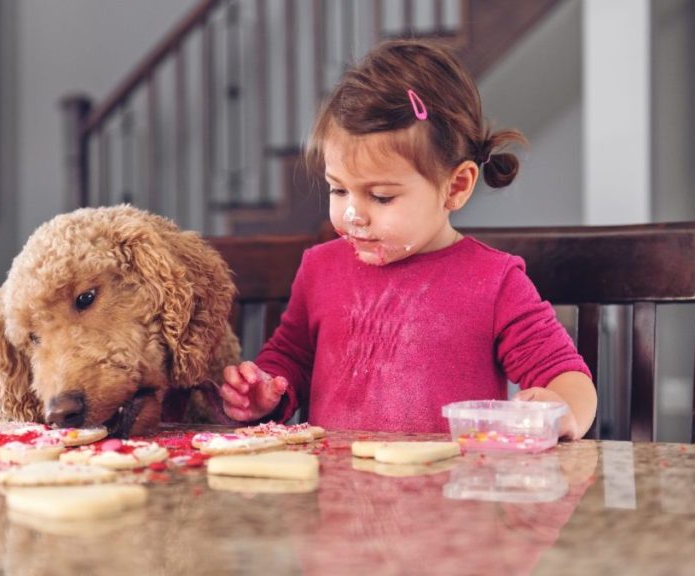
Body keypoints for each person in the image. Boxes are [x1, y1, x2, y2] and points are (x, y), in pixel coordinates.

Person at [218, 40, 597, 439]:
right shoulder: (319, 269)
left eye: (381, 196)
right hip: (335, 494)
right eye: (338, 190)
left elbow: (566, 376)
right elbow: (290, 360)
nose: (353, 214)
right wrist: (265, 392)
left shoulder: (494, 282)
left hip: (448, 492)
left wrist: (561, 408)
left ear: (456, 186)